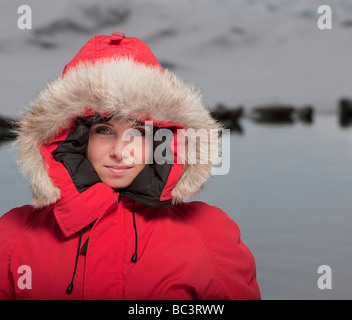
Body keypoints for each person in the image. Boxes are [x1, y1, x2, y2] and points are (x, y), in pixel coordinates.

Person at [0, 32, 260, 300]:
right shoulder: (12, 238)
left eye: (137, 133)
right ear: (73, 138)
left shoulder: (210, 236)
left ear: (162, 139)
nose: (119, 152)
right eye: (103, 130)